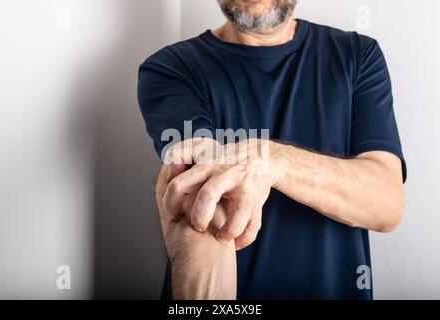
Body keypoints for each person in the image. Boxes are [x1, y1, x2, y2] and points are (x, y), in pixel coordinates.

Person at [138, 0, 406, 299]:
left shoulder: (357, 55)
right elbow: (200, 194)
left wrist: (271, 161)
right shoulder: (172, 68)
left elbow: (386, 204)